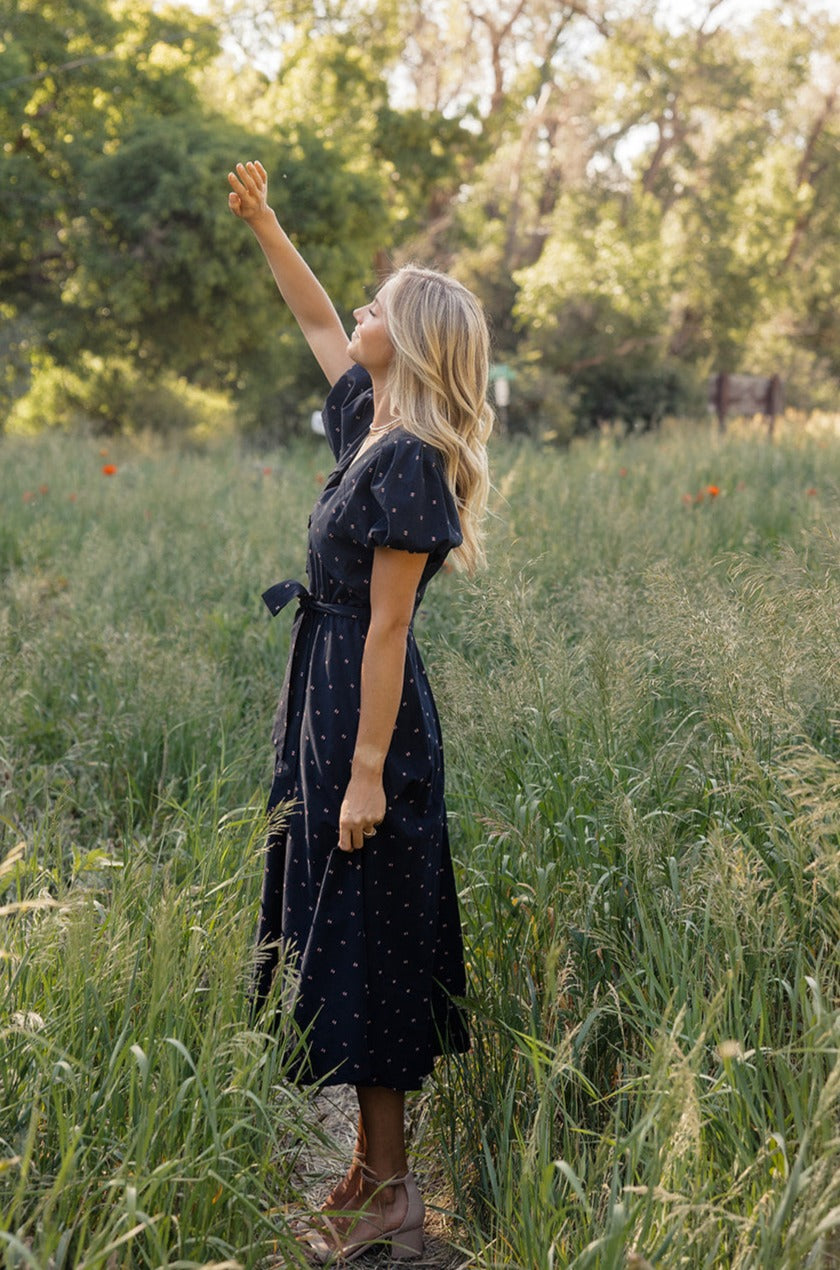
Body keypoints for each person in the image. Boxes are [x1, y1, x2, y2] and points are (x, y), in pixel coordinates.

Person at [228, 159, 493, 1264]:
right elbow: (315, 317)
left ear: (419, 339)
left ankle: (396, 1194)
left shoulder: (413, 465)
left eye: (384, 304)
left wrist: (370, 768)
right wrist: (267, 225)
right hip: (326, 695)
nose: (364, 313)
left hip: (367, 711)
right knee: (343, 929)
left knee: (374, 934)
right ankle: (368, 1172)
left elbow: (389, 629)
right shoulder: (371, 430)